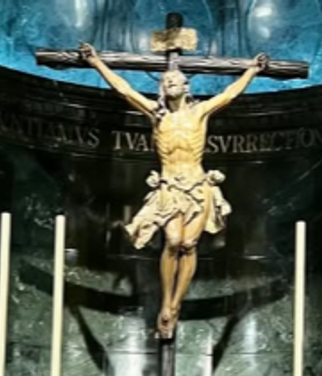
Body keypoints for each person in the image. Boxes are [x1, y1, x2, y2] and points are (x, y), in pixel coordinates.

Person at [78, 43, 268, 338]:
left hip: (197, 185)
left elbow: (229, 94)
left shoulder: (200, 113)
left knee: (189, 244)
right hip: (169, 187)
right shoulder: (157, 115)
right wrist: (96, 63)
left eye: (174, 81)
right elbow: (125, 90)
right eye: (165, 82)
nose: (169, 84)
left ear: (186, 86)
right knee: (174, 240)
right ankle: (166, 301)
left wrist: (253, 71)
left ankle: (175, 306)